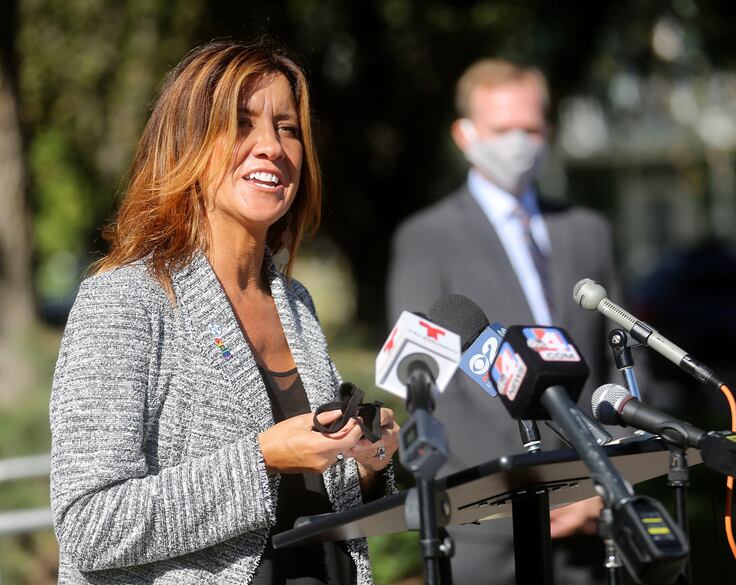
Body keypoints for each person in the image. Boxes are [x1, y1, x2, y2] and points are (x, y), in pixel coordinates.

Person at [50, 39, 398, 585]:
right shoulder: (124, 300)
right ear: (187, 143)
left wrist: (366, 465)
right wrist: (263, 459)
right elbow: (88, 524)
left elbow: (310, 499)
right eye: (241, 123)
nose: (272, 147)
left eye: (287, 128)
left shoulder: (295, 303)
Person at [387, 58, 624, 584]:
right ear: (465, 134)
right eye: (501, 129)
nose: (518, 142)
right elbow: (427, 386)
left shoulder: (589, 231)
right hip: (486, 524)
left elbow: (620, 359)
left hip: (590, 520)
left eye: (530, 128)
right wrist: (528, 486)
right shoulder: (426, 239)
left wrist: (599, 480)